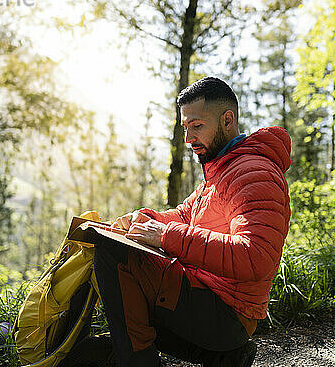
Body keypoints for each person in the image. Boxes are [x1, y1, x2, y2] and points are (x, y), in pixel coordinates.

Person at [94, 76, 291, 366]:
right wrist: (142, 220)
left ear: (227, 120)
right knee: (95, 345)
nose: (188, 139)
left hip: (228, 315)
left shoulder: (254, 173)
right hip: (205, 299)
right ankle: (223, 357)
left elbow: (255, 256)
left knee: (113, 256)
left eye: (197, 126)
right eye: (186, 128)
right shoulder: (221, 170)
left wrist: (164, 236)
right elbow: (185, 216)